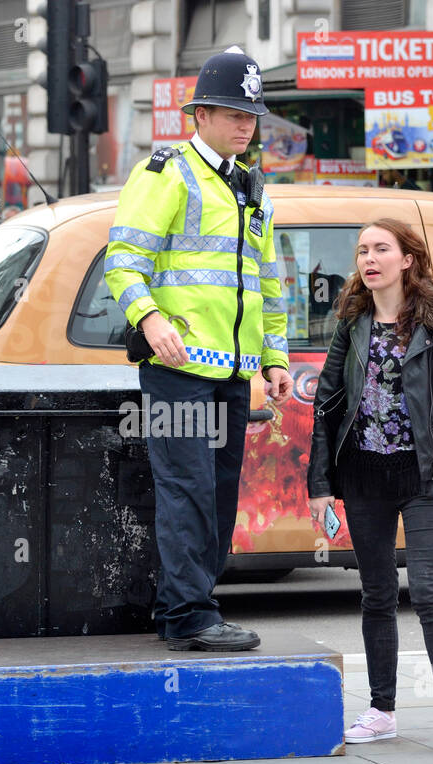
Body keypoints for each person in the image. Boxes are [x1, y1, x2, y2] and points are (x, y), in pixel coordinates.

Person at [105, 45, 293, 651]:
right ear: (201, 114)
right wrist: (150, 316)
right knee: (186, 488)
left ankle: (182, 606)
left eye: (252, 114)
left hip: (234, 372)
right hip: (178, 369)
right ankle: (191, 614)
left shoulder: (253, 188)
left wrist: (276, 357)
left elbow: (267, 282)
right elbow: (124, 259)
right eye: (235, 113)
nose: (247, 124)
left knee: (218, 491)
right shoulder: (167, 171)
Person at [307, 219, 433, 746]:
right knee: (376, 595)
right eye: (363, 251)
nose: (369, 259)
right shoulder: (351, 320)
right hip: (364, 474)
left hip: (425, 473)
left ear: (406, 258)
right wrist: (319, 485)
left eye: (381, 249)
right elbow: (327, 404)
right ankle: (381, 711)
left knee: (430, 592)